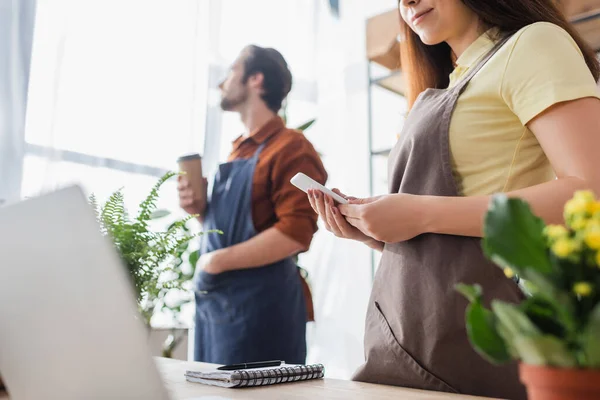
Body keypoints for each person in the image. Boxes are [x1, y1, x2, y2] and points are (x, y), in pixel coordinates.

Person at [308, 0, 600, 399]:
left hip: (480, 335)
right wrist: (378, 230)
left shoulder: (534, 44)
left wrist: (421, 213)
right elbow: (454, 231)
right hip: (410, 337)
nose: (406, 1)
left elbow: (589, 191)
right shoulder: (448, 82)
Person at [178, 45, 327, 365]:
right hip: (219, 309)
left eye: (232, 71)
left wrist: (214, 262)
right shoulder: (237, 152)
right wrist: (200, 213)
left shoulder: (292, 147)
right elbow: (232, 230)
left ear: (256, 79)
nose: (223, 82)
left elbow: (295, 234)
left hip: (263, 311)